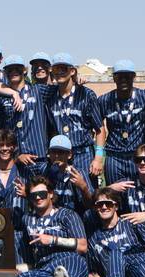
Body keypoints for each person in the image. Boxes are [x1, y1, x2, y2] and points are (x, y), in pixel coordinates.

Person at [15, 176, 89, 277]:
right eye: (34, 195)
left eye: (42, 194)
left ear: (50, 194)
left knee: (70, 271)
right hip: (45, 267)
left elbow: (83, 246)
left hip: (70, 259)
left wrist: (53, 240)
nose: (38, 198)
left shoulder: (68, 215)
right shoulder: (27, 219)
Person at [46, 53, 104, 182]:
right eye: (56, 69)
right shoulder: (50, 96)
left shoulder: (86, 94)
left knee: (86, 193)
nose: (60, 72)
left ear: (72, 71)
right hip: (60, 155)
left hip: (83, 153)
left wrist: (98, 158)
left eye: (64, 69)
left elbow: (100, 129)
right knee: (61, 195)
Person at [0, 129, 29, 270]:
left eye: (8, 145)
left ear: (14, 147)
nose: (4, 148)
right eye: (1, 145)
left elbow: (39, 202)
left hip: (17, 232)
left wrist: (28, 195)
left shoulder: (24, 173)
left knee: (22, 270)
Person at [2, 55, 52, 178]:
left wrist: (76, 78)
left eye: (17, 68)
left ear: (25, 70)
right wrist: (17, 155)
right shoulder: (2, 96)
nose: (14, 71)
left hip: (41, 159)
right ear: (5, 72)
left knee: (43, 196)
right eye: (10, 69)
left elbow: (63, 87)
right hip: (18, 161)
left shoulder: (39, 90)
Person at [43, 135, 94, 215]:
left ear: (69, 155)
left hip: (75, 217)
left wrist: (83, 187)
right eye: (53, 152)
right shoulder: (46, 172)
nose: (56, 156)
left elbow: (90, 205)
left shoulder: (78, 173)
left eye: (60, 152)